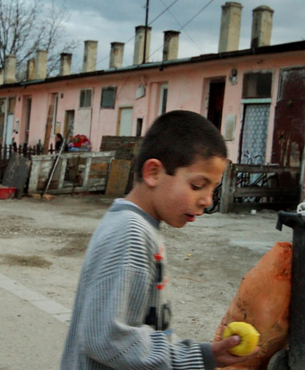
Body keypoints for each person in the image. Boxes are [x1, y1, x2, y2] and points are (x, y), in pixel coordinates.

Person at [60, 110, 256, 370]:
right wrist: (191, 358)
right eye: (198, 185)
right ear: (153, 173)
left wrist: (204, 354)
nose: (207, 200)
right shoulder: (129, 232)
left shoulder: (140, 227)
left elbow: (143, 329)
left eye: (213, 189)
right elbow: (104, 339)